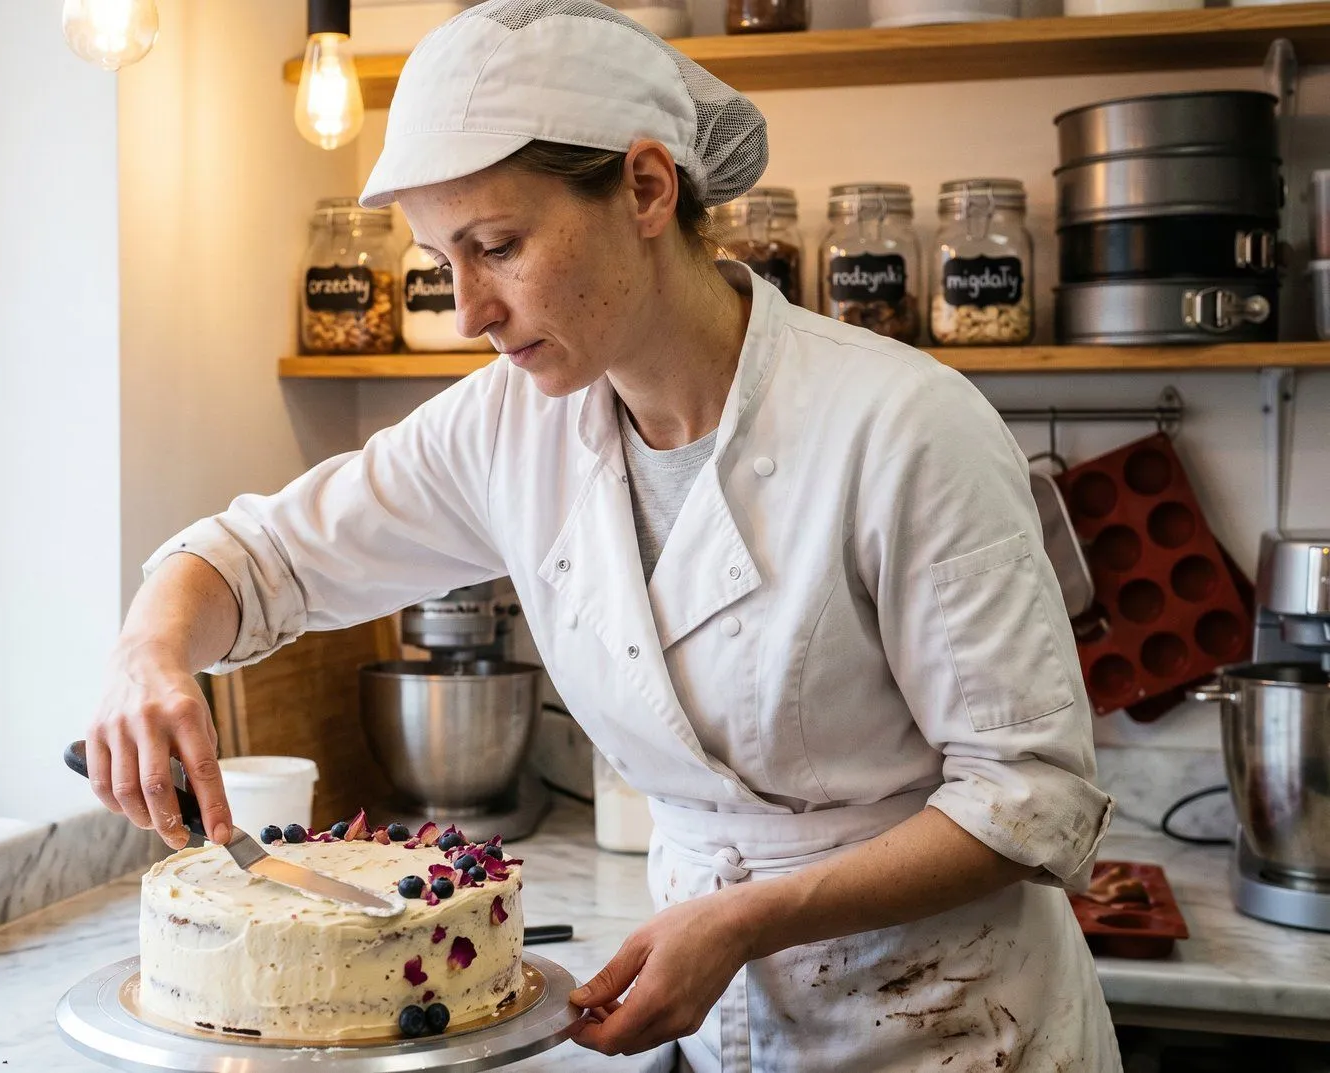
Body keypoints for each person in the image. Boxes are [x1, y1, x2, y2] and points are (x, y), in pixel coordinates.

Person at [86, 2, 1120, 1069]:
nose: (469, 311)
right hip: (708, 1017)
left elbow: (1030, 795)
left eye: (498, 247)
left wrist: (745, 919)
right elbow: (258, 556)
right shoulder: (507, 424)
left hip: (957, 1023)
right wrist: (148, 652)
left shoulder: (904, 426)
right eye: (443, 262)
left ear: (646, 188)